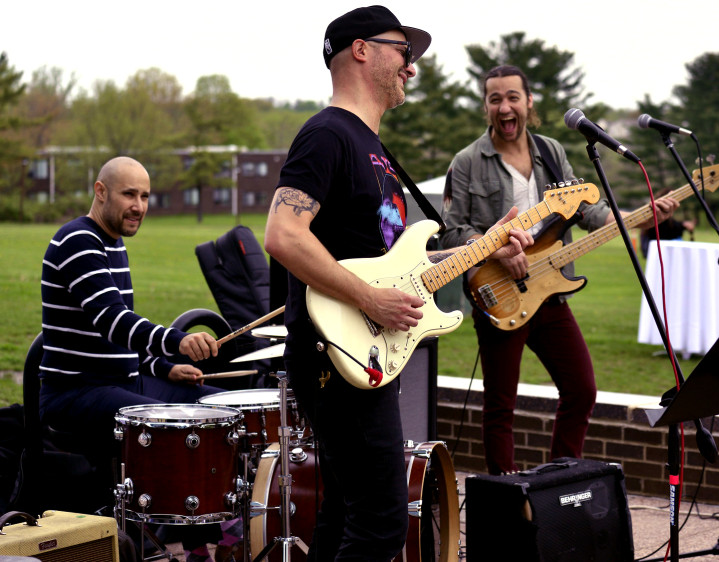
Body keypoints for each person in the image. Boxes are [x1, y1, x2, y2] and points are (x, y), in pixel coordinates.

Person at [262, 7, 532, 559]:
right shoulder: (327, 134)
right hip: (334, 351)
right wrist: (369, 299)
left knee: (345, 512)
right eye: (403, 51)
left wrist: (486, 247)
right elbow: (284, 234)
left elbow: (399, 265)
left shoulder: (373, 148)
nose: (411, 67)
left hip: (359, 350)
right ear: (362, 50)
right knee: (384, 520)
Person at [441, 64, 680, 475]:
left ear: (528, 102)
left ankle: (561, 484)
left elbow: (587, 209)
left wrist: (635, 216)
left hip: (551, 292)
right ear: (486, 106)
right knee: (501, 406)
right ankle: (507, 495)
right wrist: (495, 250)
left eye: (513, 96)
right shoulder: (467, 162)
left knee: (582, 391)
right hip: (497, 292)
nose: (504, 106)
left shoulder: (551, 152)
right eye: (495, 98)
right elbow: (449, 233)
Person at [38, 156, 240, 562]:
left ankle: (211, 528)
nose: (139, 205)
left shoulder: (113, 244)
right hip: (75, 392)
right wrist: (177, 342)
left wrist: (166, 368)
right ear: (101, 191)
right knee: (177, 421)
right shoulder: (77, 242)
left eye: (145, 196)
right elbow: (114, 322)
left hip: (120, 382)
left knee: (219, 407)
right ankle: (200, 540)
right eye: (129, 194)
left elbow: (117, 341)